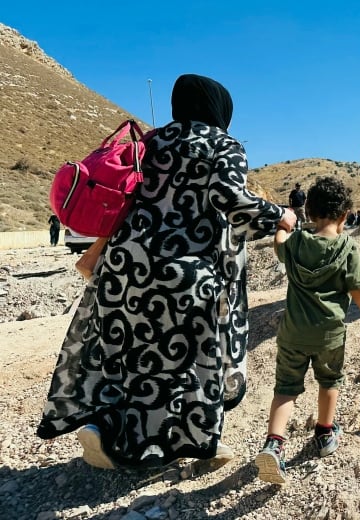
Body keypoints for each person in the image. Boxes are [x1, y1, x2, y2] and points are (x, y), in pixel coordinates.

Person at [36, 74, 296, 470]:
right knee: (184, 363)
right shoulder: (222, 144)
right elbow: (229, 199)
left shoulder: (148, 143)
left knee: (128, 353)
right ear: (219, 108)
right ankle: (191, 439)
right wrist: (282, 215)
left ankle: (103, 426)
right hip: (183, 274)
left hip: (123, 267)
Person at [255, 176, 360, 485]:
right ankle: (324, 434)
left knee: (286, 388)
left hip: (293, 333)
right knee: (330, 381)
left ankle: (273, 444)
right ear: (345, 215)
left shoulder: (296, 243)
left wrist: (283, 227)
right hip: (329, 335)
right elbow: (357, 288)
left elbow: (279, 245)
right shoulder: (346, 247)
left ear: (309, 213)